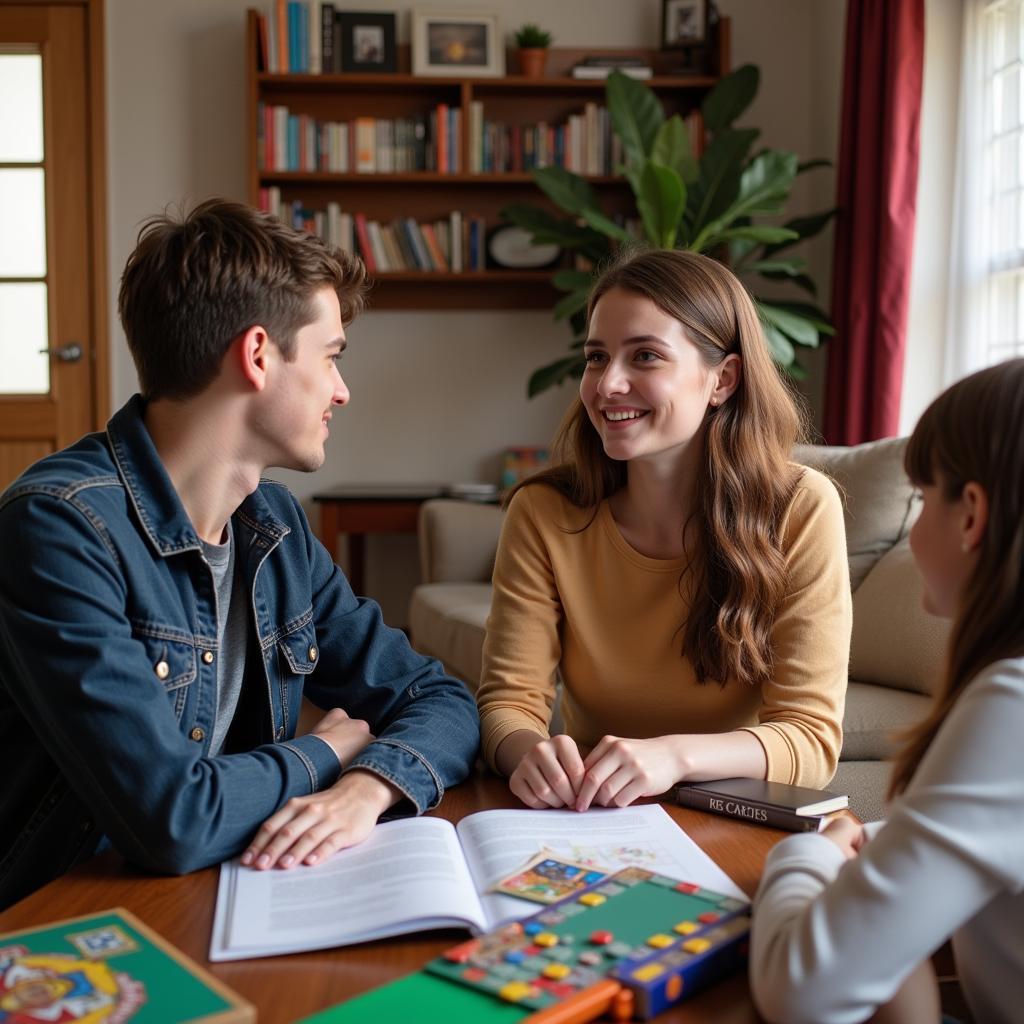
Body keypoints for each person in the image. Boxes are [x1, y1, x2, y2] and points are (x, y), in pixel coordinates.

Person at [0, 198, 479, 911]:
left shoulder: (274, 526)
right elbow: (171, 818)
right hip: (65, 921)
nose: (341, 391)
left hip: (222, 892)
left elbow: (440, 699)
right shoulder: (58, 529)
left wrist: (365, 788)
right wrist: (325, 751)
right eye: (331, 357)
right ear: (257, 355)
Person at [476, 248, 851, 812]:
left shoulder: (800, 508)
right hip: (590, 812)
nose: (607, 386)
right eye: (597, 358)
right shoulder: (543, 511)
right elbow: (508, 702)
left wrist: (673, 757)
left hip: (729, 813)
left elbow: (810, 740)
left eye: (645, 356)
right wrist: (526, 752)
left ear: (722, 379)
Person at [750, 358, 1024, 1024]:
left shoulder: (1012, 704)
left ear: (972, 516)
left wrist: (806, 847)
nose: (916, 522)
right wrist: (877, 834)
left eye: (923, 497)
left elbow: (803, 988)